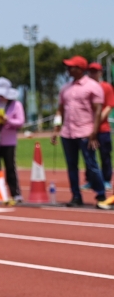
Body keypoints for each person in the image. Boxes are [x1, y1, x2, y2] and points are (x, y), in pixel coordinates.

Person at [50, 56, 108, 209]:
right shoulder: (65, 88)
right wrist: (56, 129)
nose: (68, 70)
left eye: (71, 67)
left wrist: (94, 131)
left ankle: (101, 194)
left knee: (91, 164)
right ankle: (76, 195)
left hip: (85, 132)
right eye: (68, 67)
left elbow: (98, 111)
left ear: (80, 69)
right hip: (67, 133)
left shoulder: (93, 86)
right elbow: (60, 110)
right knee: (71, 166)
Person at [0, 77, 24, 202]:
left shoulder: (16, 105)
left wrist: (8, 120)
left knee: (10, 167)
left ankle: (15, 193)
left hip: (9, 141)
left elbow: (20, 122)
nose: (0, 96)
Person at [86, 62, 113, 191]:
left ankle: (106, 179)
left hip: (103, 129)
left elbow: (109, 106)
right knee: (89, 155)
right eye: (91, 71)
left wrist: (96, 121)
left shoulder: (106, 87)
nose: (93, 74)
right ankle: (91, 180)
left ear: (100, 73)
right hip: (87, 129)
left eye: (95, 71)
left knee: (105, 155)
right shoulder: (86, 87)